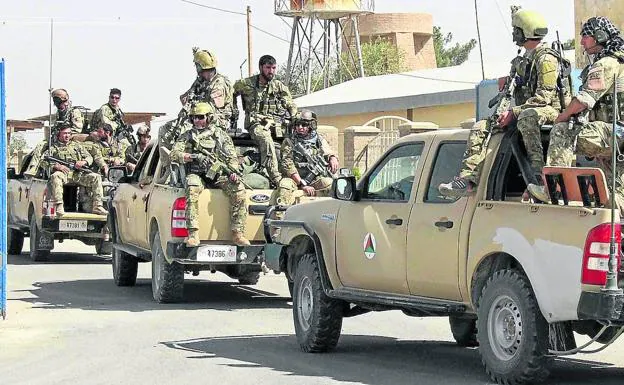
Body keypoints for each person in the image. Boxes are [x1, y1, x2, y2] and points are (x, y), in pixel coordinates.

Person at [439, 6, 570, 197]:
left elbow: (544, 98)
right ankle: (467, 180)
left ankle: (540, 179)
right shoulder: (522, 60)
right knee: (481, 126)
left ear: (524, 31)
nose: (514, 34)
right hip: (524, 109)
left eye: (516, 30)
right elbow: (513, 86)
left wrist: (513, 113)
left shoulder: (546, 59)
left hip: (548, 110)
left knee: (527, 117)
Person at [528, 16, 624, 211]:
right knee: (614, 198)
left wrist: (562, 117)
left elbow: (583, 100)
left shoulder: (607, 63)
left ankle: (552, 189)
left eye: (585, 37)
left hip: (615, 133)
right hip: (616, 140)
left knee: (563, 130)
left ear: (599, 35)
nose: (581, 42)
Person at [170, 102, 249, 247]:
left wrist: (233, 172)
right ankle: (193, 233)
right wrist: (193, 157)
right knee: (192, 185)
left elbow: (232, 157)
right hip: (197, 174)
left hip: (218, 175)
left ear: (209, 117)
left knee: (239, 189)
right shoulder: (187, 136)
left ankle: (238, 233)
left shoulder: (220, 135)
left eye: (200, 117)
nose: (196, 121)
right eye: (193, 117)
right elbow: (174, 154)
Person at [233, 54, 297, 186]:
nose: (271, 71)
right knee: (265, 138)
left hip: (276, 124)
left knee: (292, 142)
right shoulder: (246, 84)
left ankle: (294, 175)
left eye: (274, 68)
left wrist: (295, 117)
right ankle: (275, 176)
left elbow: (291, 104)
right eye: (268, 68)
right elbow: (230, 92)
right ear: (261, 67)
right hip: (255, 123)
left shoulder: (278, 86)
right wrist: (233, 111)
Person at [273, 109, 339, 205]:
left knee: (330, 184)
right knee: (284, 186)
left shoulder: (319, 140)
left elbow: (328, 151)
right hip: (294, 179)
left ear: (311, 125)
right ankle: (280, 216)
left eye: (304, 125)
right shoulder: (289, 142)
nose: (300, 127)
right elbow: (287, 165)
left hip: (314, 179)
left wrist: (332, 158)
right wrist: (302, 184)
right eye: (297, 125)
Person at [42, 126, 108, 216]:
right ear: (59, 135)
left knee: (96, 177)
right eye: (64, 133)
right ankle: (59, 205)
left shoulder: (77, 146)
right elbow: (43, 161)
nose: (67, 136)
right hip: (64, 174)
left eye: (69, 133)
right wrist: (58, 166)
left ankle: (97, 206)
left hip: (78, 174)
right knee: (55, 176)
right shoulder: (53, 148)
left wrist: (83, 162)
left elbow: (89, 157)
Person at [180, 48, 234, 130]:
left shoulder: (219, 84)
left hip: (216, 120)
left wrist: (193, 106)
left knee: (184, 129)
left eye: (197, 65)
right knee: (166, 129)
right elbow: (186, 98)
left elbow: (211, 110)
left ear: (200, 66)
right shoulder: (202, 81)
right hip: (199, 117)